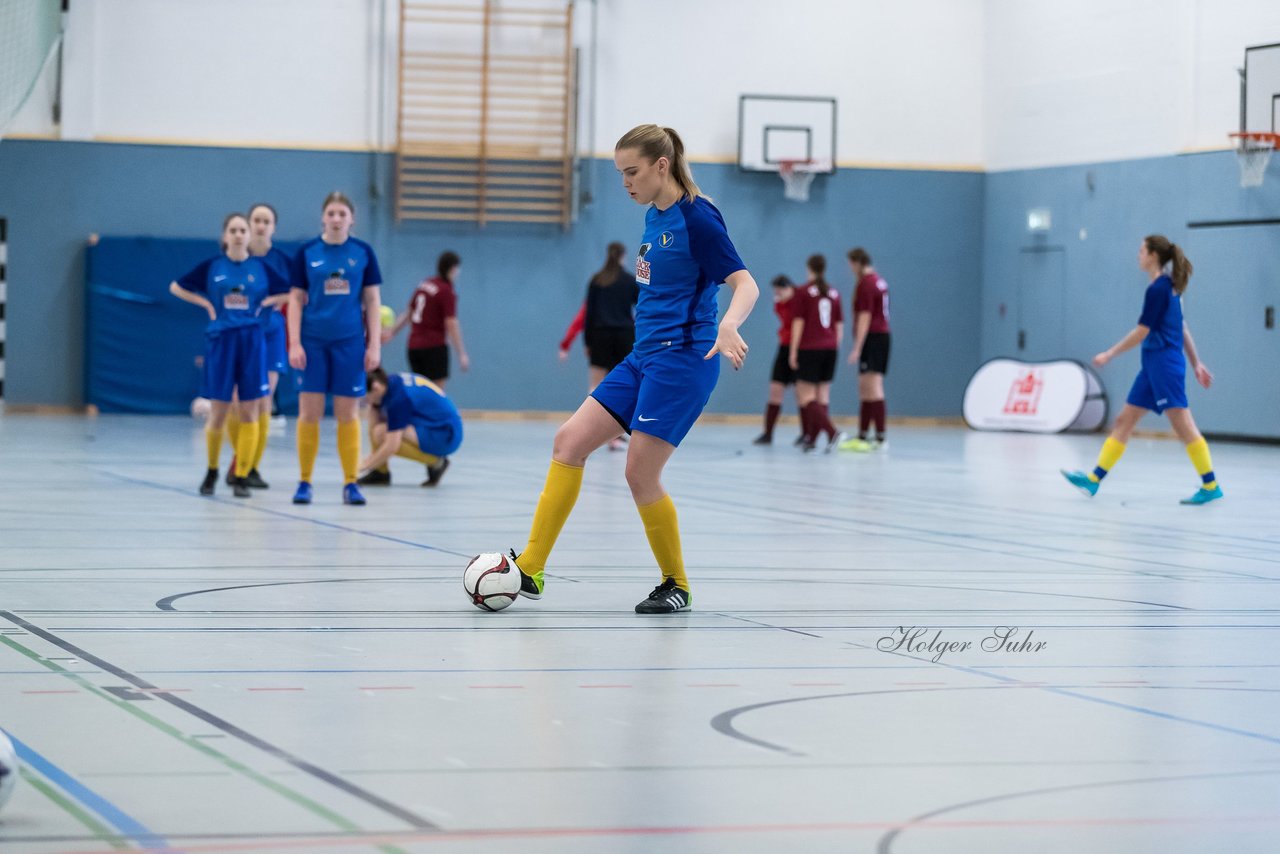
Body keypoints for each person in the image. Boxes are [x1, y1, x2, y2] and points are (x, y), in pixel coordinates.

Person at [503, 124, 758, 614]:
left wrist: (729, 324)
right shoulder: (652, 216)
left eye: (632, 172)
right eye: (621, 173)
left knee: (639, 472)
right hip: (643, 356)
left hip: (684, 361)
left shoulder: (699, 219)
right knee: (568, 442)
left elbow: (745, 283)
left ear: (662, 166)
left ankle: (676, 583)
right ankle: (531, 568)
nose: (626, 183)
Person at [1062, 235, 1222, 505]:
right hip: (1152, 366)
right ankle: (1093, 480)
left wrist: (1110, 353)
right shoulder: (1167, 287)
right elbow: (1181, 327)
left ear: (1153, 256)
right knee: (1124, 420)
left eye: (1141, 250)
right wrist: (1196, 363)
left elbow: (1142, 331)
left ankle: (1211, 484)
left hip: (1164, 365)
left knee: (1184, 426)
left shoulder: (1160, 289)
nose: (1138, 255)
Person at [170, 213, 289, 497]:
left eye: (242, 230)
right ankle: (211, 470)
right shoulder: (213, 267)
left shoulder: (260, 268)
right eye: (233, 230)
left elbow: (292, 292)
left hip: (252, 341)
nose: (238, 234)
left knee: (250, 409)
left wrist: (267, 303)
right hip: (222, 341)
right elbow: (176, 287)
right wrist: (207, 305)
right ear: (225, 236)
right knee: (220, 410)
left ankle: (242, 475)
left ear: (249, 236)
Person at [287, 191, 383, 506]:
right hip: (313, 342)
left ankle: (351, 482)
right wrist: (295, 342)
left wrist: (374, 345)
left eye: (343, 213)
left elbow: (372, 301)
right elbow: (295, 301)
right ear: (323, 217)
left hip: (349, 342)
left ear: (352, 219)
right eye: (332, 213)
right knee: (309, 413)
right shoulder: (307, 252)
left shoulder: (363, 253)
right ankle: (304, 481)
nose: (337, 218)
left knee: (348, 413)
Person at [224, 202, 291, 489]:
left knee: (264, 402)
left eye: (266, 221)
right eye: (256, 220)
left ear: (274, 226)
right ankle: (239, 459)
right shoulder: (237, 259)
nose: (261, 226)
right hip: (241, 334)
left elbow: (293, 293)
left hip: (272, 333)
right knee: (238, 403)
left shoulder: (282, 261)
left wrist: (270, 300)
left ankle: (248, 467)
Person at [357, 368, 461, 487]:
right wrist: (374, 406)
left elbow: (392, 446)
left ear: (376, 388)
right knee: (379, 429)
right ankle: (380, 472)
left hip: (445, 434)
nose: (365, 402)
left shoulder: (398, 399)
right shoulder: (390, 383)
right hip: (437, 425)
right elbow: (373, 421)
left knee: (381, 434)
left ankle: (437, 463)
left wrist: (365, 465)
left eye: (366, 397)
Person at [384, 251, 469, 390]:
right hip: (434, 347)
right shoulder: (446, 291)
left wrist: (392, 332)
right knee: (436, 394)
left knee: (420, 391)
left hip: (414, 348)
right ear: (453, 269)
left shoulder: (425, 284)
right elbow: (451, 323)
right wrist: (461, 353)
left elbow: (409, 312)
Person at [789, 255, 845, 452]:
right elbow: (839, 325)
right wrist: (834, 346)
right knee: (823, 396)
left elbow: (798, 323)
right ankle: (812, 439)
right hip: (830, 347)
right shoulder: (834, 293)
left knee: (806, 396)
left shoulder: (803, 292)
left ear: (809, 268)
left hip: (810, 347)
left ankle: (832, 432)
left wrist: (793, 351)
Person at [840, 247, 891, 452]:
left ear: (857, 263)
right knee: (866, 386)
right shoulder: (879, 281)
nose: (850, 269)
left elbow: (865, 317)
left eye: (851, 265)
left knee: (872, 386)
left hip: (874, 338)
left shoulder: (866, 284)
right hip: (882, 337)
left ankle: (878, 437)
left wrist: (857, 347)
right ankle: (865, 435)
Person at [752, 275, 800, 445]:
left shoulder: (799, 303)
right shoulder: (780, 304)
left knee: (801, 393)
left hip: (800, 349)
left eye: (780, 291)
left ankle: (808, 433)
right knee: (775, 390)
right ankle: (768, 433)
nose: (777, 294)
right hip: (784, 348)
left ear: (789, 288)